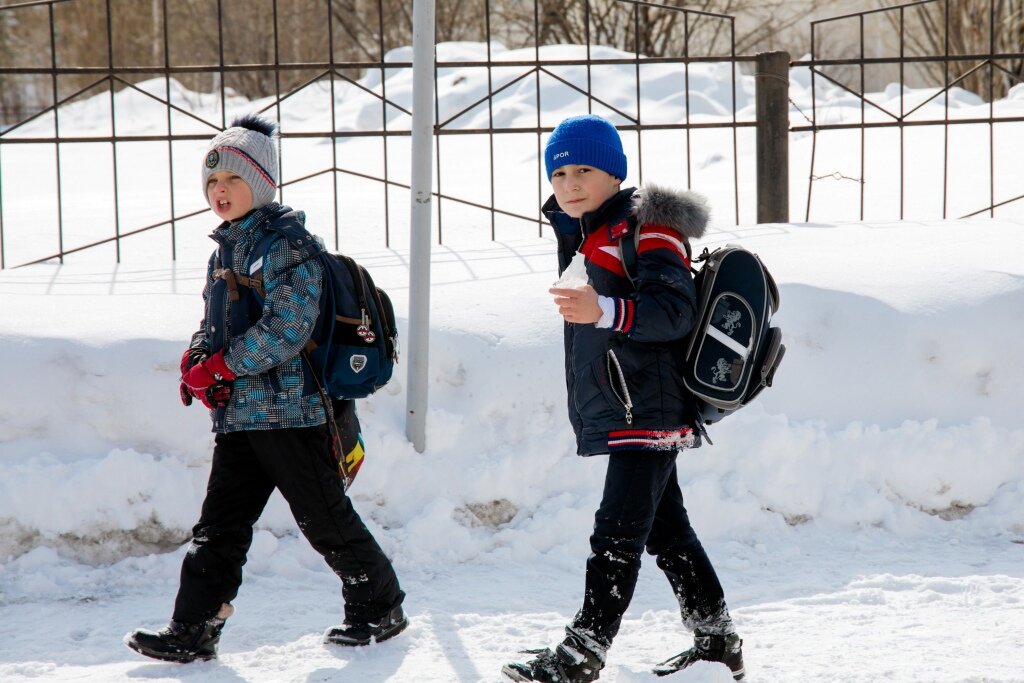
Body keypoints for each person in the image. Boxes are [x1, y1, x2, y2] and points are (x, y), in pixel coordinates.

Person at [124, 113, 406, 663]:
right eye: (211, 184)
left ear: (260, 183)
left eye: (231, 181)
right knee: (219, 524)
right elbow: (216, 322)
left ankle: (380, 605)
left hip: (293, 413)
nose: (220, 192)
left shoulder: (290, 247)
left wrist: (222, 368)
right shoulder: (223, 251)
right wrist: (197, 358)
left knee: (323, 516)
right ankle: (194, 625)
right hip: (240, 417)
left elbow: (286, 330)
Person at [502, 115, 744, 682]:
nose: (569, 183)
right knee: (666, 531)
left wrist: (605, 311)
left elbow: (674, 311)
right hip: (630, 404)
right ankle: (716, 638)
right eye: (558, 173)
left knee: (617, 533)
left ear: (615, 172)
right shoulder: (588, 231)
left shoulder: (649, 228)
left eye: (583, 169)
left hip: (650, 407)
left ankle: (583, 651)